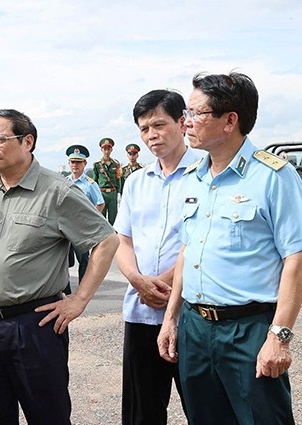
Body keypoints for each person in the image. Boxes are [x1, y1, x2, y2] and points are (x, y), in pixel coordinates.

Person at [157, 72, 302, 424]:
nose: (185, 122)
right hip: (195, 326)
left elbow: (296, 258)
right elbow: (187, 252)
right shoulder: (193, 178)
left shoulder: (274, 176)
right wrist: (171, 318)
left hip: (248, 328)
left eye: (195, 113)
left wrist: (279, 337)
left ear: (229, 121)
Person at [0, 109, 119, 424]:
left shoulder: (57, 192)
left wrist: (79, 300)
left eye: (1, 139)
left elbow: (106, 241)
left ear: (27, 141)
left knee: (47, 416)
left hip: (35, 326)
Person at [115, 89, 197, 424]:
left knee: (204, 406)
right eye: (144, 128)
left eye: (159, 125)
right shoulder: (136, 182)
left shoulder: (205, 175)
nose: (152, 135)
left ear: (182, 122)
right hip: (140, 314)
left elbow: (196, 244)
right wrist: (137, 281)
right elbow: (123, 242)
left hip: (189, 313)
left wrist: (159, 285)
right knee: (142, 411)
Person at [65, 144, 104, 292]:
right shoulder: (64, 181)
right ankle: (65, 289)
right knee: (63, 261)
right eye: (72, 162)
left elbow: (100, 203)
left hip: (81, 229)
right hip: (66, 227)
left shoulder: (90, 184)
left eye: (78, 162)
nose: (75, 165)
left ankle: (83, 288)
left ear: (84, 164)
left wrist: (90, 222)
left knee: (84, 260)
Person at [91, 137, 122, 225]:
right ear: (101, 149)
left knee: (113, 218)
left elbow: (118, 179)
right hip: (102, 193)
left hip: (112, 193)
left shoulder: (116, 164)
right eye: (104, 149)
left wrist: (118, 193)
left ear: (111, 149)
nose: (107, 151)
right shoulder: (97, 165)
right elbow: (95, 180)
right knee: (101, 218)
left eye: (108, 149)